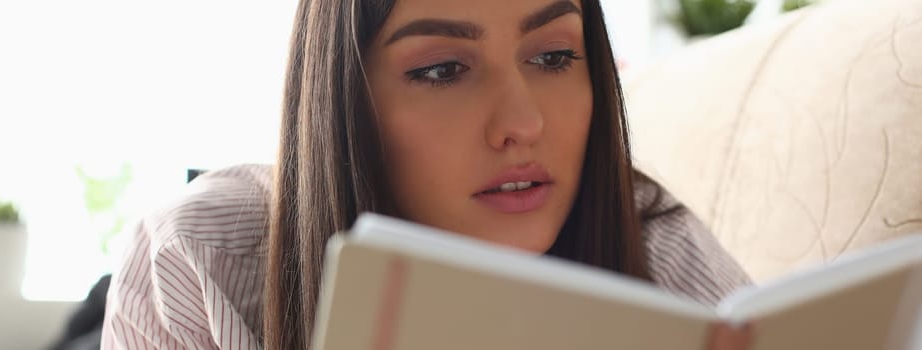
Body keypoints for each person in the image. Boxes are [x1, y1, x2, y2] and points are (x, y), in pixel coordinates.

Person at [101, 0, 754, 349]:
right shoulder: (195, 258)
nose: (522, 123)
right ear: (346, 104)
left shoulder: (656, 249)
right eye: (442, 70)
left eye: (554, 55)